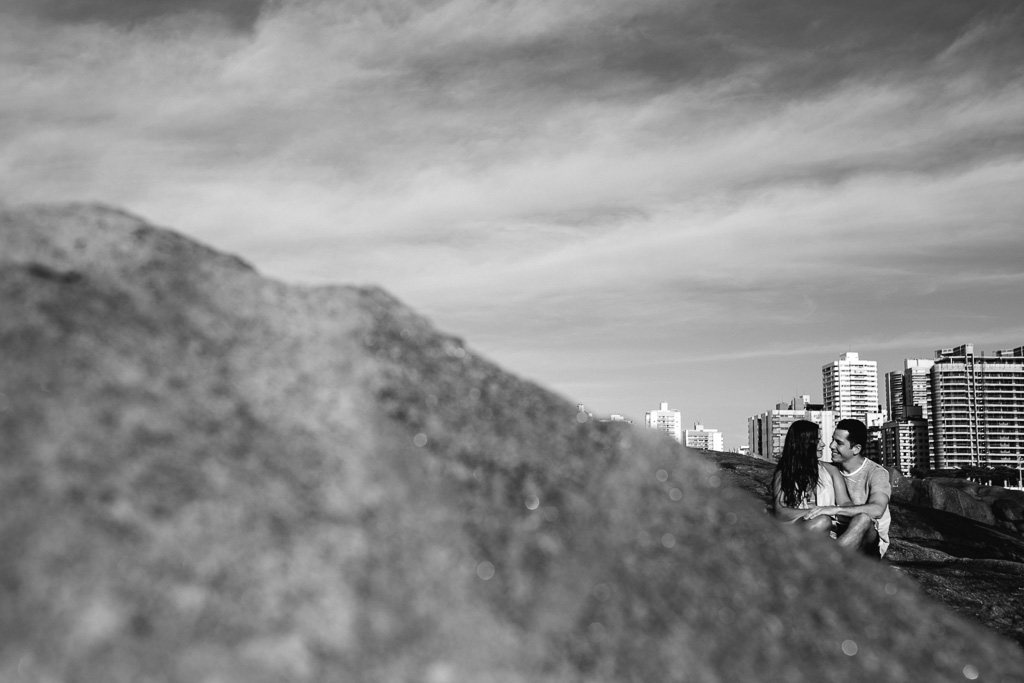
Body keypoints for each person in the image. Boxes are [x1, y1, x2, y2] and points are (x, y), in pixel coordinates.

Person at [803, 418, 892, 558]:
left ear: (856, 449)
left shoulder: (876, 473)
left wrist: (836, 509)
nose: (831, 446)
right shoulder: (829, 470)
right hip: (834, 534)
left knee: (863, 519)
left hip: (867, 541)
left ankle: (827, 563)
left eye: (839, 443)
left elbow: (877, 509)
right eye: (833, 440)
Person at [771, 420, 851, 535]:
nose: (823, 444)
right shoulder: (784, 473)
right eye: (818, 440)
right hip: (797, 532)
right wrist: (819, 512)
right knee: (822, 521)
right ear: (804, 443)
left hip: (830, 532)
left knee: (825, 521)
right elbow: (780, 511)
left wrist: (853, 511)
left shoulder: (831, 470)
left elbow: (845, 503)